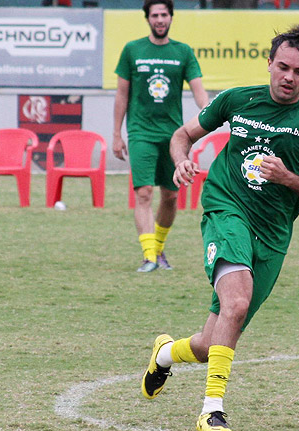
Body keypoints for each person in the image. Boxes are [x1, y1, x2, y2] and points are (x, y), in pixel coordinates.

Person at [140, 25, 299, 431]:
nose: (289, 77)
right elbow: (182, 136)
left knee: (210, 340)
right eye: (283, 67)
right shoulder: (238, 99)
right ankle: (211, 410)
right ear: (269, 63)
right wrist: (182, 160)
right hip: (225, 208)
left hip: (272, 234)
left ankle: (165, 354)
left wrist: (288, 178)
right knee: (235, 304)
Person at [113, 0, 208, 273]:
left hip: (174, 136)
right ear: (147, 19)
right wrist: (116, 134)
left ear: (171, 18)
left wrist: (211, 113)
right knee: (143, 193)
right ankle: (149, 256)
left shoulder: (183, 52)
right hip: (140, 132)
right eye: (154, 15)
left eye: (164, 14)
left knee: (169, 196)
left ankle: (158, 250)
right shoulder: (132, 50)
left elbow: (199, 92)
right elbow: (122, 95)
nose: (159, 19)